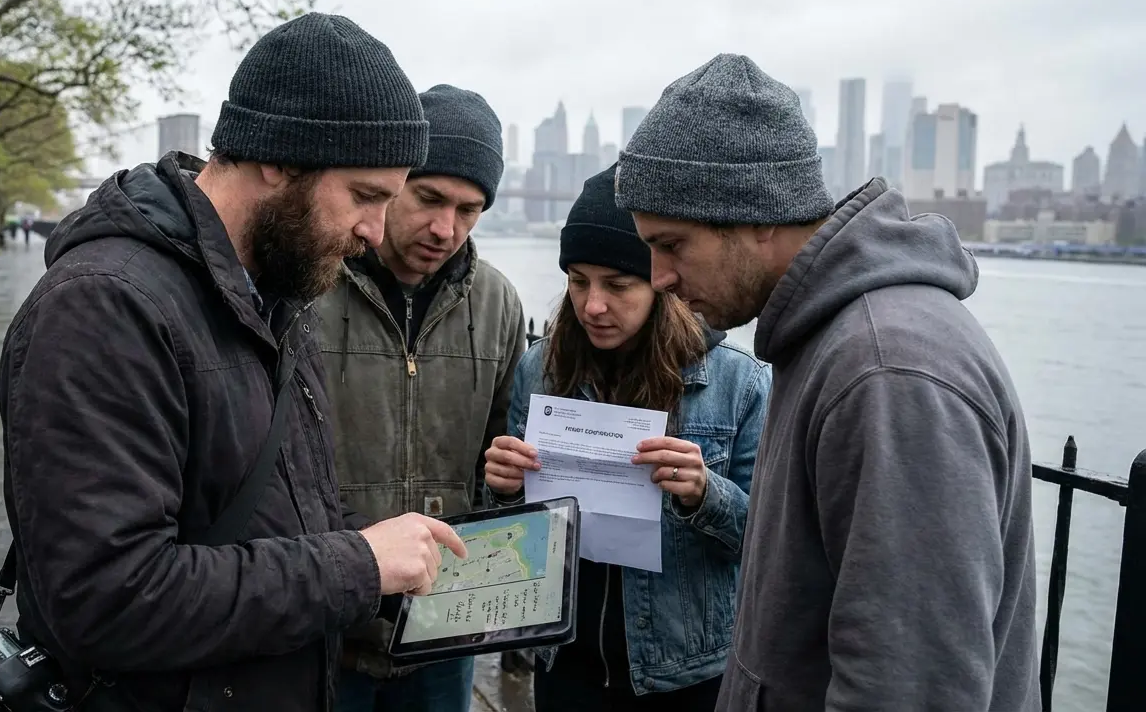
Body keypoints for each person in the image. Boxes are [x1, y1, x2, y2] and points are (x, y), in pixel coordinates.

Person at [0, 13, 468, 712]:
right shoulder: (101, 308)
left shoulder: (274, 297)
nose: (374, 232)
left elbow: (288, 513)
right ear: (277, 157)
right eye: (366, 196)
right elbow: (106, 598)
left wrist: (392, 577)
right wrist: (359, 564)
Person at [616, 53, 1039, 711]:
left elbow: (909, 685)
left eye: (672, 244)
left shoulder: (886, 371)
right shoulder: (828, 338)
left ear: (758, 217)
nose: (659, 277)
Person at [481, 164, 770, 711]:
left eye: (617, 285)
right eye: (577, 281)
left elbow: (767, 542)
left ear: (661, 282)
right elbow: (513, 534)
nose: (593, 305)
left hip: (686, 672)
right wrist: (504, 488)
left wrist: (705, 492)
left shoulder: (741, 383)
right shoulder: (541, 368)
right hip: (565, 662)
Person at [311, 83, 526, 712]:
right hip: (325, 627)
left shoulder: (499, 303)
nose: (445, 228)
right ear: (391, 182)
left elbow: (503, 458)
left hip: (443, 632)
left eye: (469, 210)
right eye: (429, 198)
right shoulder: (309, 286)